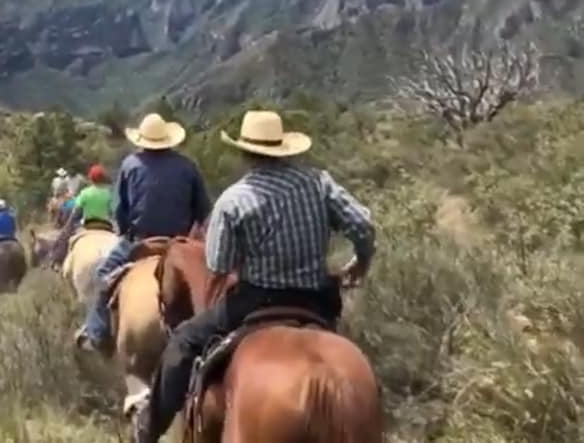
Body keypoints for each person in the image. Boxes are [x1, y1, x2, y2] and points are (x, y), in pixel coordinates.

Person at [130, 110, 378, 443]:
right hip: (317, 301)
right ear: (284, 148)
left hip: (253, 302)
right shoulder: (320, 183)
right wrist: (360, 261)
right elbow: (362, 225)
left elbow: (219, 264)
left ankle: (148, 430)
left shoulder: (234, 200)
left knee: (183, 343)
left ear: (245, 152)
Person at [76, 113, 211, 353]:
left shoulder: (130, 165)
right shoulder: (188, 167)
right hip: (180, 243)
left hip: (141, 240)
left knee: (103, 274)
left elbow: (120, 210)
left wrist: (126, 231)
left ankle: (97, 334)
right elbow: (203, 213)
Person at [50, 164, 113, 267]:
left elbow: (76, 210)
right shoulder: (108, 193)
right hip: (106, 225)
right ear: (102, 179)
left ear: (91, 179)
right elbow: (111, 212)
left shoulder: (85, 193)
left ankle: (57, 261)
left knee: (64, 237)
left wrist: (68, 224)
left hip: (88, 224)